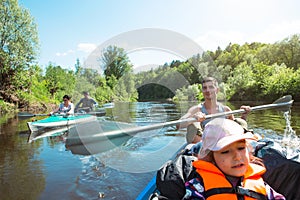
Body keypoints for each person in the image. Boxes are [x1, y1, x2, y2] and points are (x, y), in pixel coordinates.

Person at [183, 118, 285, 200]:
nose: (237, 157)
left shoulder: (261, 185)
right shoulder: (197, 187)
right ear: (211, 158)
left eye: (241, 148)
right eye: (225, 152)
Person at [178, 77, 250, 137]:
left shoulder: (226, 110)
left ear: (217, 90)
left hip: (223, 140)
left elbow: (235, 129)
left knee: (240, 122)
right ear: (202, 91)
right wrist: (194, 118)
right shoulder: (196, 109)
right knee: (193, 126)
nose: (208, 90)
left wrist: (244, 116)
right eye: (205, 88)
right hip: (205, 142)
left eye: (211, 87)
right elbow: (178, 125)